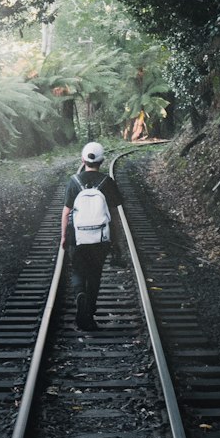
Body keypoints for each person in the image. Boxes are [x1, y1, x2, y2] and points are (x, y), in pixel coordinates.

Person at [60, 141, 123, 331]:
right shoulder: (107, 182)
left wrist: (64, 236)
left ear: (82, 160)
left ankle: (80, 295)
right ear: (102, 161)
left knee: (78, 271)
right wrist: (116, 240)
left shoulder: (74, 181)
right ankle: (90, 315)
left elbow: (65, 212)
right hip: (100, 239)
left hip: (77, 237)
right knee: (95, 275)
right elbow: (115, 215)